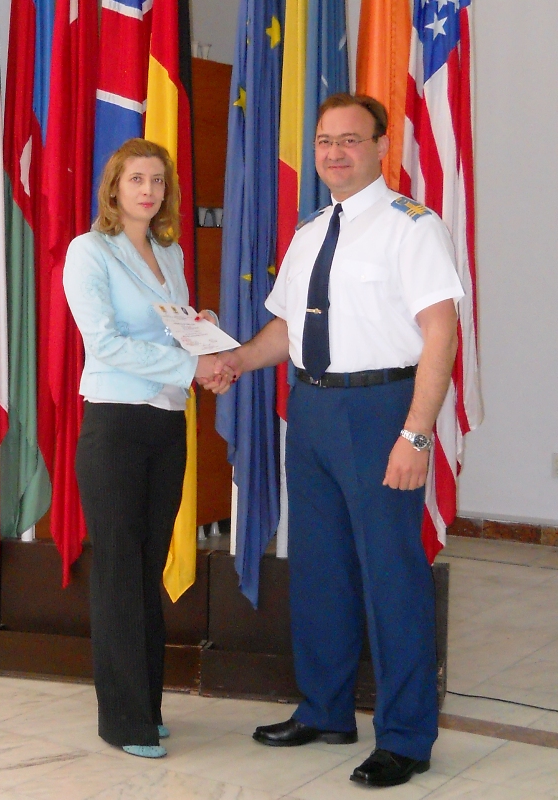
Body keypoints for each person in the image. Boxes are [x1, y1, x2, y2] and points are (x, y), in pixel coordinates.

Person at [202, 94, 463, 788]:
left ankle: (405, 735)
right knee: (319, 569)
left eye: (350, 139)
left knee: (392, 575)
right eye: (324, 140)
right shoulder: (313, 231)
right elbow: (288, 328)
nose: (335, 153)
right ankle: (324, 710)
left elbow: (441, 332)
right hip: (312, 409)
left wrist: (416, 433)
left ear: (381, 145)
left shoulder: (413, 228)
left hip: (381, 410)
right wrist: (236, 360)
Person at [64, 138, 219, 759]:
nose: (149, 190)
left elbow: (169, 329)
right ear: (114, 187)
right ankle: (123, 721)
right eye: (136, 179)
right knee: (120, 571)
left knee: (147, 566)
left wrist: (201, 332)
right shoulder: (88, 251)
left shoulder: (169, 251)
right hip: (115, 424)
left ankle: (146, 710)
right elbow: (103, 343)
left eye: (158, 180)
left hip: (165, 422)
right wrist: (191, 363)